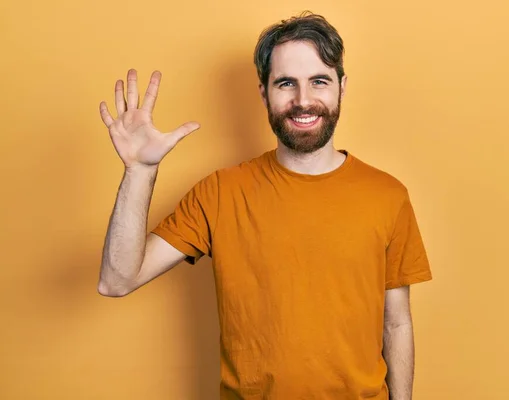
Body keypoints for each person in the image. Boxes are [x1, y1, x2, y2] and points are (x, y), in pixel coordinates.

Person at [97, 11, 432, 400]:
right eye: (286, 83)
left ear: (341, 86)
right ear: (263, 92)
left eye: (319, 81)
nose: (303, 101)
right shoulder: (219, 193)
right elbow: (116, 280)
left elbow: (396, 324)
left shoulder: (387, 195)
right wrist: (139, 171)